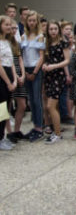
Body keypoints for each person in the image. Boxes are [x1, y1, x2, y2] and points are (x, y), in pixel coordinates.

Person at [42, 20, 70, 144]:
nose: (53, 31)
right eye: (50, 29)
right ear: (48, 31)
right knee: (53, 106)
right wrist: (45, 65)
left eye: (55, 29)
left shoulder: (63, 43)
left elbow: (67, 60)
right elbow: (46, 58)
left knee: (50, 106)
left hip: (58, 76)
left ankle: (57, 134)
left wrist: (54, 66)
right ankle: (56, 131)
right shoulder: (48, 43)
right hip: (49, 76)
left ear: (58, 30)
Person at [19, 11, 45, 142]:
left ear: (37, 22)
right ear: (26, 22)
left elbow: (41, 57)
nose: (32, 22)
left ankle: (39, 128)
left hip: (36, 70)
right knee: (30, 100)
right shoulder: (23, 37)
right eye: (30, 20)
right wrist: (25, 72)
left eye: (34, 20)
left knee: (36, 100)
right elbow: (22, 56)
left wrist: (34, 72)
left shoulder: (40, 36)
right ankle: (35, 126)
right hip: (26, 69)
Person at [6, 20, 27, 144]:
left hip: (19, 76)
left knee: (22, 105)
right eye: (11, 27)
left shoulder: (16, 43)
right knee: (7, 106)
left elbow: (20, 60)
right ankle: (9, 132)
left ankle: (16, 130)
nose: (13, 30)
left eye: (15, 28)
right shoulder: (4, 42)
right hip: (9, 75)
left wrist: (22, 75)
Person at [0, 15, 17, 150]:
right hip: (2, 77)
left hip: (9, 76)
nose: (9, 27)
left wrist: (15, 79)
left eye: (10, 25)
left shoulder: (7, 41)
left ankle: (3, 136)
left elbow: (11, 62)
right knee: (1, 108)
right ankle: (0, 138)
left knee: (6, 108)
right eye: (6, 24)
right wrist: (7, 82)